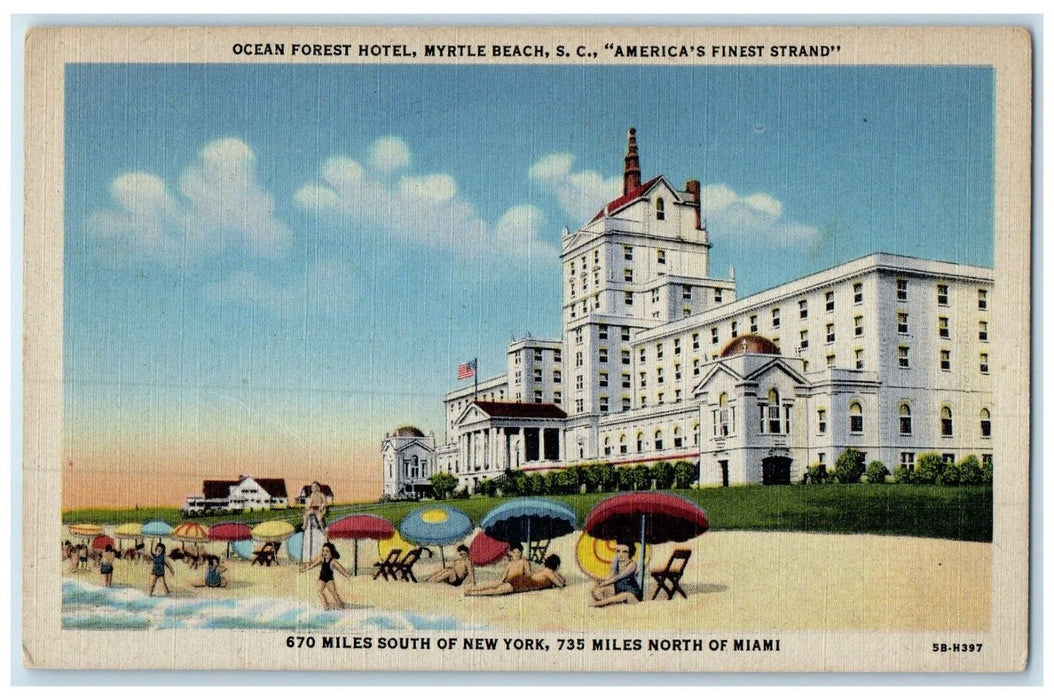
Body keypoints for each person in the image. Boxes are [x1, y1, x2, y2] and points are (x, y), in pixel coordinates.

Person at [466, 553, 566, 596]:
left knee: (496, 587)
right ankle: (473, 592)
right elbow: (561, 584)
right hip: (522, 583)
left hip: (523, 582)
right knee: (496, 590)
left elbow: (561, 582)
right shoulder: (549, 572)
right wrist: (558, 575)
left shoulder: (548, 571)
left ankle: (473, 590)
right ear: (556, 565)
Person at [590, 541, 644, 606]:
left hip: (632, 592)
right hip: (618, 591)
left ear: (630, 552)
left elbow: (617, 578)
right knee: (596, 591)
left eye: (624, 552)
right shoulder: (616, 563)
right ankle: (608, 603)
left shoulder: (632, 564)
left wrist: (603, 583)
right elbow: (610, 576)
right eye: (618, 551)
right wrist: (600, 583)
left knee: (624, 596)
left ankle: (599, 604)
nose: (621, 554)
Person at [300, 542, 350, 609]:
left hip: (329, 579)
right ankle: (325, 606)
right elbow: (313, 565)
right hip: (321, 578)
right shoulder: (321, 559)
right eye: (323, 551)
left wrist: (346, 575)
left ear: (331, 552)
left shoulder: (333, 561)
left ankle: (341, 606)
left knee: (334, 593)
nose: (324, 553)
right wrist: (305, 569)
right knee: (319, 591)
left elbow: (340, 569)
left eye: (327, 551)